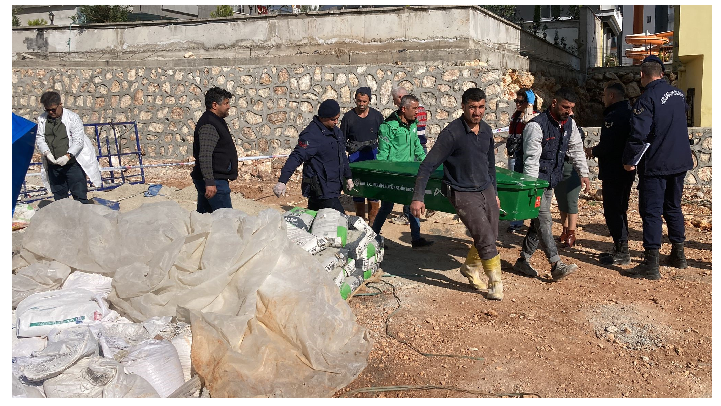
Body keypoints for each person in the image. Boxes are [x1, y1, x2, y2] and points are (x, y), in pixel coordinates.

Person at [410, 88, 503, 300]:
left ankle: (470, 267)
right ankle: (496, 284)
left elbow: (490, 165)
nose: (476, 112)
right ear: (463, 107)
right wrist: (418, 197)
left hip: (485, 188)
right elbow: (427, 166)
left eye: (480, 107)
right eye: (472, 107)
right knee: (485, 236)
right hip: (461, 191)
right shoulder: (452, 133)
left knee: (492, 233)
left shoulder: (487, 131)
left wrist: (494, 192)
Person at [621, 55, 693, 280]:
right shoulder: (679, 95)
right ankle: (678, 255)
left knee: (651, 211)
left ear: (643, 75)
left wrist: (629, 160)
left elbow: (639, 135)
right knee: (673, 206)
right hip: (679, 162)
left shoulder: (647, 98)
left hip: (657, 163)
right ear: (661, 74)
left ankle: (651, 263)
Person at [512, 87, 590, 281]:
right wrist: (532, 188)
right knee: (544, 220)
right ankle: (556, 264)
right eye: (565, 107)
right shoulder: (536, 126)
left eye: (571, 108)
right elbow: (531, 160)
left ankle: (523, 260)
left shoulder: (569, 124)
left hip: (550, 182)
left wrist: (584, 174)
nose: (569, 112)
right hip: (536, 183)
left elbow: (576, 150)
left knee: (537, 224)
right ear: (554, 103)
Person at [372, 94, 433, 249]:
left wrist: (426, 162)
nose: (417, 112)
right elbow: (383, 154)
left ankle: (416, 238)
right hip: (393, 174)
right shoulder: (388, 127)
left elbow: (417, 146)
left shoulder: (413, 124)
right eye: (414, 109)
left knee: (412, 204)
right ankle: (373, 236)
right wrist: (383, 174)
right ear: (403, 108)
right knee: (386, 206)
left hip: (410, 172)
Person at [585, 80, 635, 265]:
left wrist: (592, 151)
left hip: (615, 171)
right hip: (625, 169)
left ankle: (622, 250)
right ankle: (620, 247)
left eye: (605, 95)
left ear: (611, 96)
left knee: (613, 210)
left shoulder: (614, 116)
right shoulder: (629, 112)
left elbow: (609, 146)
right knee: (620, 209)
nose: (603, 98)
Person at [274, 99, 354, 213]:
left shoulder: (336, 132)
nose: (336, 122)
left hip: (334, 186)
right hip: (321, 188)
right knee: (340, 220)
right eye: (333, 119)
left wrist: (348, 177)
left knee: (318, 221)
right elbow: (296, 157)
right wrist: (282, 181)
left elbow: (342, 156)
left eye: (337, 118)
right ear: (323, 117)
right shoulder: (311, 135)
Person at [35, 91, 102, 204]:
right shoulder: (42, 120)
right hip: (54, 166)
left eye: (53, 109)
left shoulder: (72, 118)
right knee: (60, 198)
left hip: (72, 164)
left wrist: (67, 156)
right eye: (47, 110)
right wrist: (47, 153)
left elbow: (78, 141)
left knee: (79, 195)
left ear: (60, 105)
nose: (50, 112)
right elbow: (40, 138)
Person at [190, 87, 238, 213]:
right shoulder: (209, 124)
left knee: (206, 219)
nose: (229, 107)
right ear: (215, 105)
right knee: (225, 220)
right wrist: (210, 182)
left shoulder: (216, 121)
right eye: (226, 103)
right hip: (215, 182)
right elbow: (205, 155)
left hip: (214, 180)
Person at [340, 87, 384, 224]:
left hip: (373, 156)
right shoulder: (348, 117)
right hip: (355, 157)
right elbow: (342, 140)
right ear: (355, 99)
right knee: (357, 189)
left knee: (373, 188)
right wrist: (349, 149)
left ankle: (373, 221)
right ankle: (360, 221)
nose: (361, 104)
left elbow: (383, 138)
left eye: (364, 101)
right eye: (359, 101)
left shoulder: (377, 116)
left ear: (369, 100)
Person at [505, 88, 539, 234]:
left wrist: (530, 106)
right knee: (515, 188)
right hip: (514, 155)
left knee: (527, 189)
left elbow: (528, 121)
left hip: (527, 157)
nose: (518, 104)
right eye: (516, 101)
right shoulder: (515, 115)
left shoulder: (534, 116)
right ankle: (516, 221)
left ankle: (531, 220)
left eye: (521, 101)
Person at [553, 121, 585, 248]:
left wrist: (583, 173)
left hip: (572, 168)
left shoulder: (576, 130)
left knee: (571, 202)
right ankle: (565, 230)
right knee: (561, 202)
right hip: (558, 168)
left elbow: (577, 151)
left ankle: (571, 233)